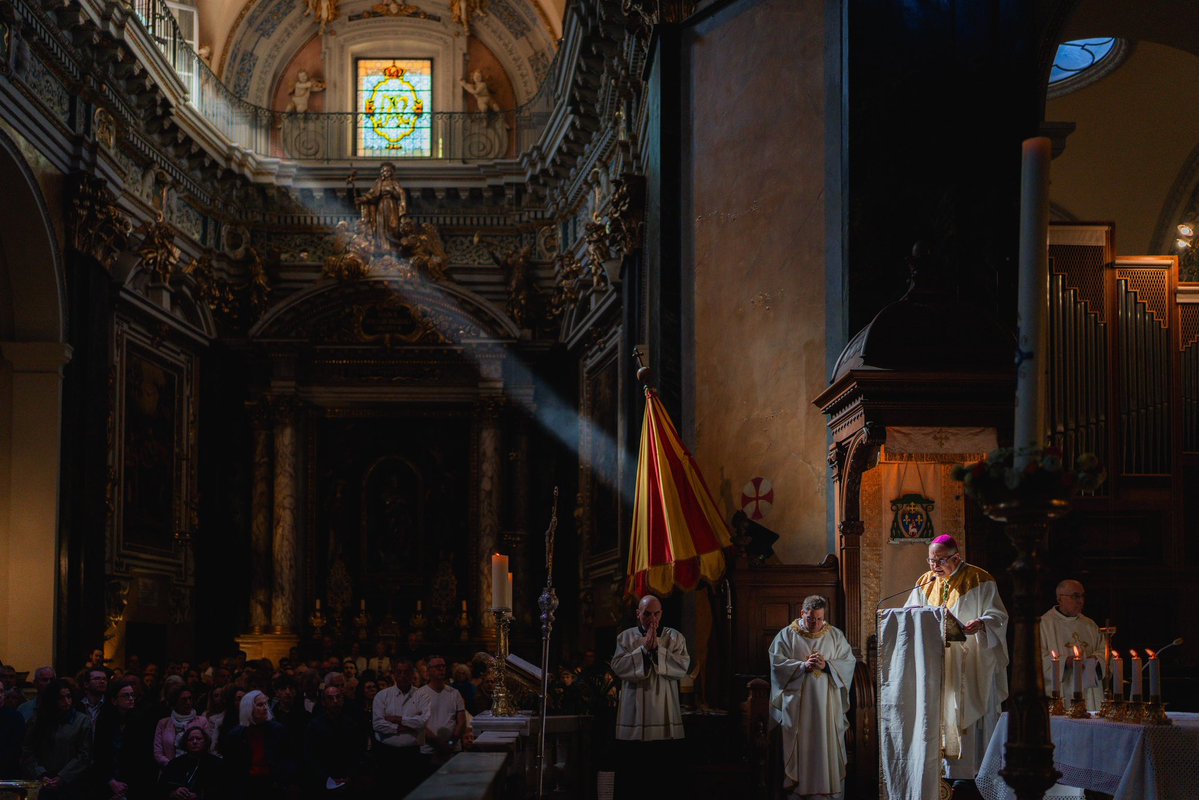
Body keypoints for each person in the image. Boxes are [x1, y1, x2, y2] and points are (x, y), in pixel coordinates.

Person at [906, 534, 1009, 783]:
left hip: (970, 662)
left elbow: (998, 616)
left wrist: (983, 624)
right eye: (931, 561)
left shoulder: (980, 579)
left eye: (941, 561)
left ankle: (972, 777)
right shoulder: (925, 581)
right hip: (938, 663)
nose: (935, 567)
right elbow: (909, 612)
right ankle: (942, 776)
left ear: (957, 557)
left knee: (967, 716)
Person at [768, 594, 856, 799]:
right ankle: (800, 793)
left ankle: (828, 794)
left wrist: (827, 666)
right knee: (801, 746)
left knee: (828, 744)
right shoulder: (787, 635)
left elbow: (848, 662)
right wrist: (801, 666)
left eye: (819, 619)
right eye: (810, 619)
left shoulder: (835, 635)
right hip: (798, 705)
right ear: (802, 613)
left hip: (827, 704)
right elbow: (776, 664)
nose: (815, 624)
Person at [610, 595, 689, 799]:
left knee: (663, 780)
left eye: (656, 614)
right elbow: (618, 666)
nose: (652, 619)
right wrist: (643, 651)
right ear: (638, 614)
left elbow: (681, 667)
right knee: (634, 780)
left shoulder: (675, 638)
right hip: (634, 716)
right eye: (646, 614)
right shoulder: (625, 638)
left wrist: (657, 651)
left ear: (661, 614)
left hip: (664, 716)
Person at [1039, 579, 1105, 711]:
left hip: (1089, 693)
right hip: (1060, 694)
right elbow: (1037, 658)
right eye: (1075, 596)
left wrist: (1097, 659)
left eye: (1082, 596)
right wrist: (1064, 662)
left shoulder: (1089, 625)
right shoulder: (1044, 624)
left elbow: (1104, 650)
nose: (1081, 601)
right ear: (1060, 599)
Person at [21, 679, 92, 799]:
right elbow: (28, 750)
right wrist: (41, 774)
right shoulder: (38, 720)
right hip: (43, 781)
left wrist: (62, 777)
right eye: (61, 698)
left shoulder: (81, 721)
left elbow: (84, 755)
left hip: (71, 784)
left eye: (69, 697)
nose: (66, 702)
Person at [371, 660, 428, 796]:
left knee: (413, 794)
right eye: (399, 672)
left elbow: (422, 722)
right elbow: (378, 724)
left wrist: (397, 719)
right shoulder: (382, 695)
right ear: (394, 675)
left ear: (412, 674)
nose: (403, 676)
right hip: (387, 756)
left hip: (412, 755)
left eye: (406, 672)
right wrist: (407, 727)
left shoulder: (422, 695)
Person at [304, 683, 365, 796]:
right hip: (324, 779)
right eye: (330, 698)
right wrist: (326, 777)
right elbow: (310, 755)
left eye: (338, 697)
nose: (335, 701)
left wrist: (350, 775)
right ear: (323, 702)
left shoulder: (352, 723)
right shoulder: (314, 726)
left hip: (349, 777)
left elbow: (358, 751)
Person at [414, 655, 464, 768]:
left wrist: (451, 743)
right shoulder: (419, 694)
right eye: (437, 667)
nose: (441, 669)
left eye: (443, 666)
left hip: (453, 749)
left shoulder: (454, 693)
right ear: (429, 670)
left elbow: (461, 721)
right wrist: (439, 744)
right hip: (429, 750)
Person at [158, 722, 228, 799]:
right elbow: (161, 787)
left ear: (205, 742)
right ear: (185, 743)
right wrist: (173, 793)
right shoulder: (175, 763)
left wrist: (199, 796)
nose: (194, 742)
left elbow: (223, 791)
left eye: (198, 739)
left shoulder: (217, 764)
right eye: (191, 739)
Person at [355, 163, 408, 249]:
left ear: (391, 172)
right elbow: (372, 194)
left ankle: (393, 247)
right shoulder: (378, 182)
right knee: (381, 225)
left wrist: (392, 192)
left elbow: (401, 195)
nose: (385, 173)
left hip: (391, 205)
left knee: (393, 225)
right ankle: (383, 247)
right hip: (381, 205)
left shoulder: (394, 183)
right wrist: (362, 199)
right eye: (383, 171)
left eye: (387, 171)